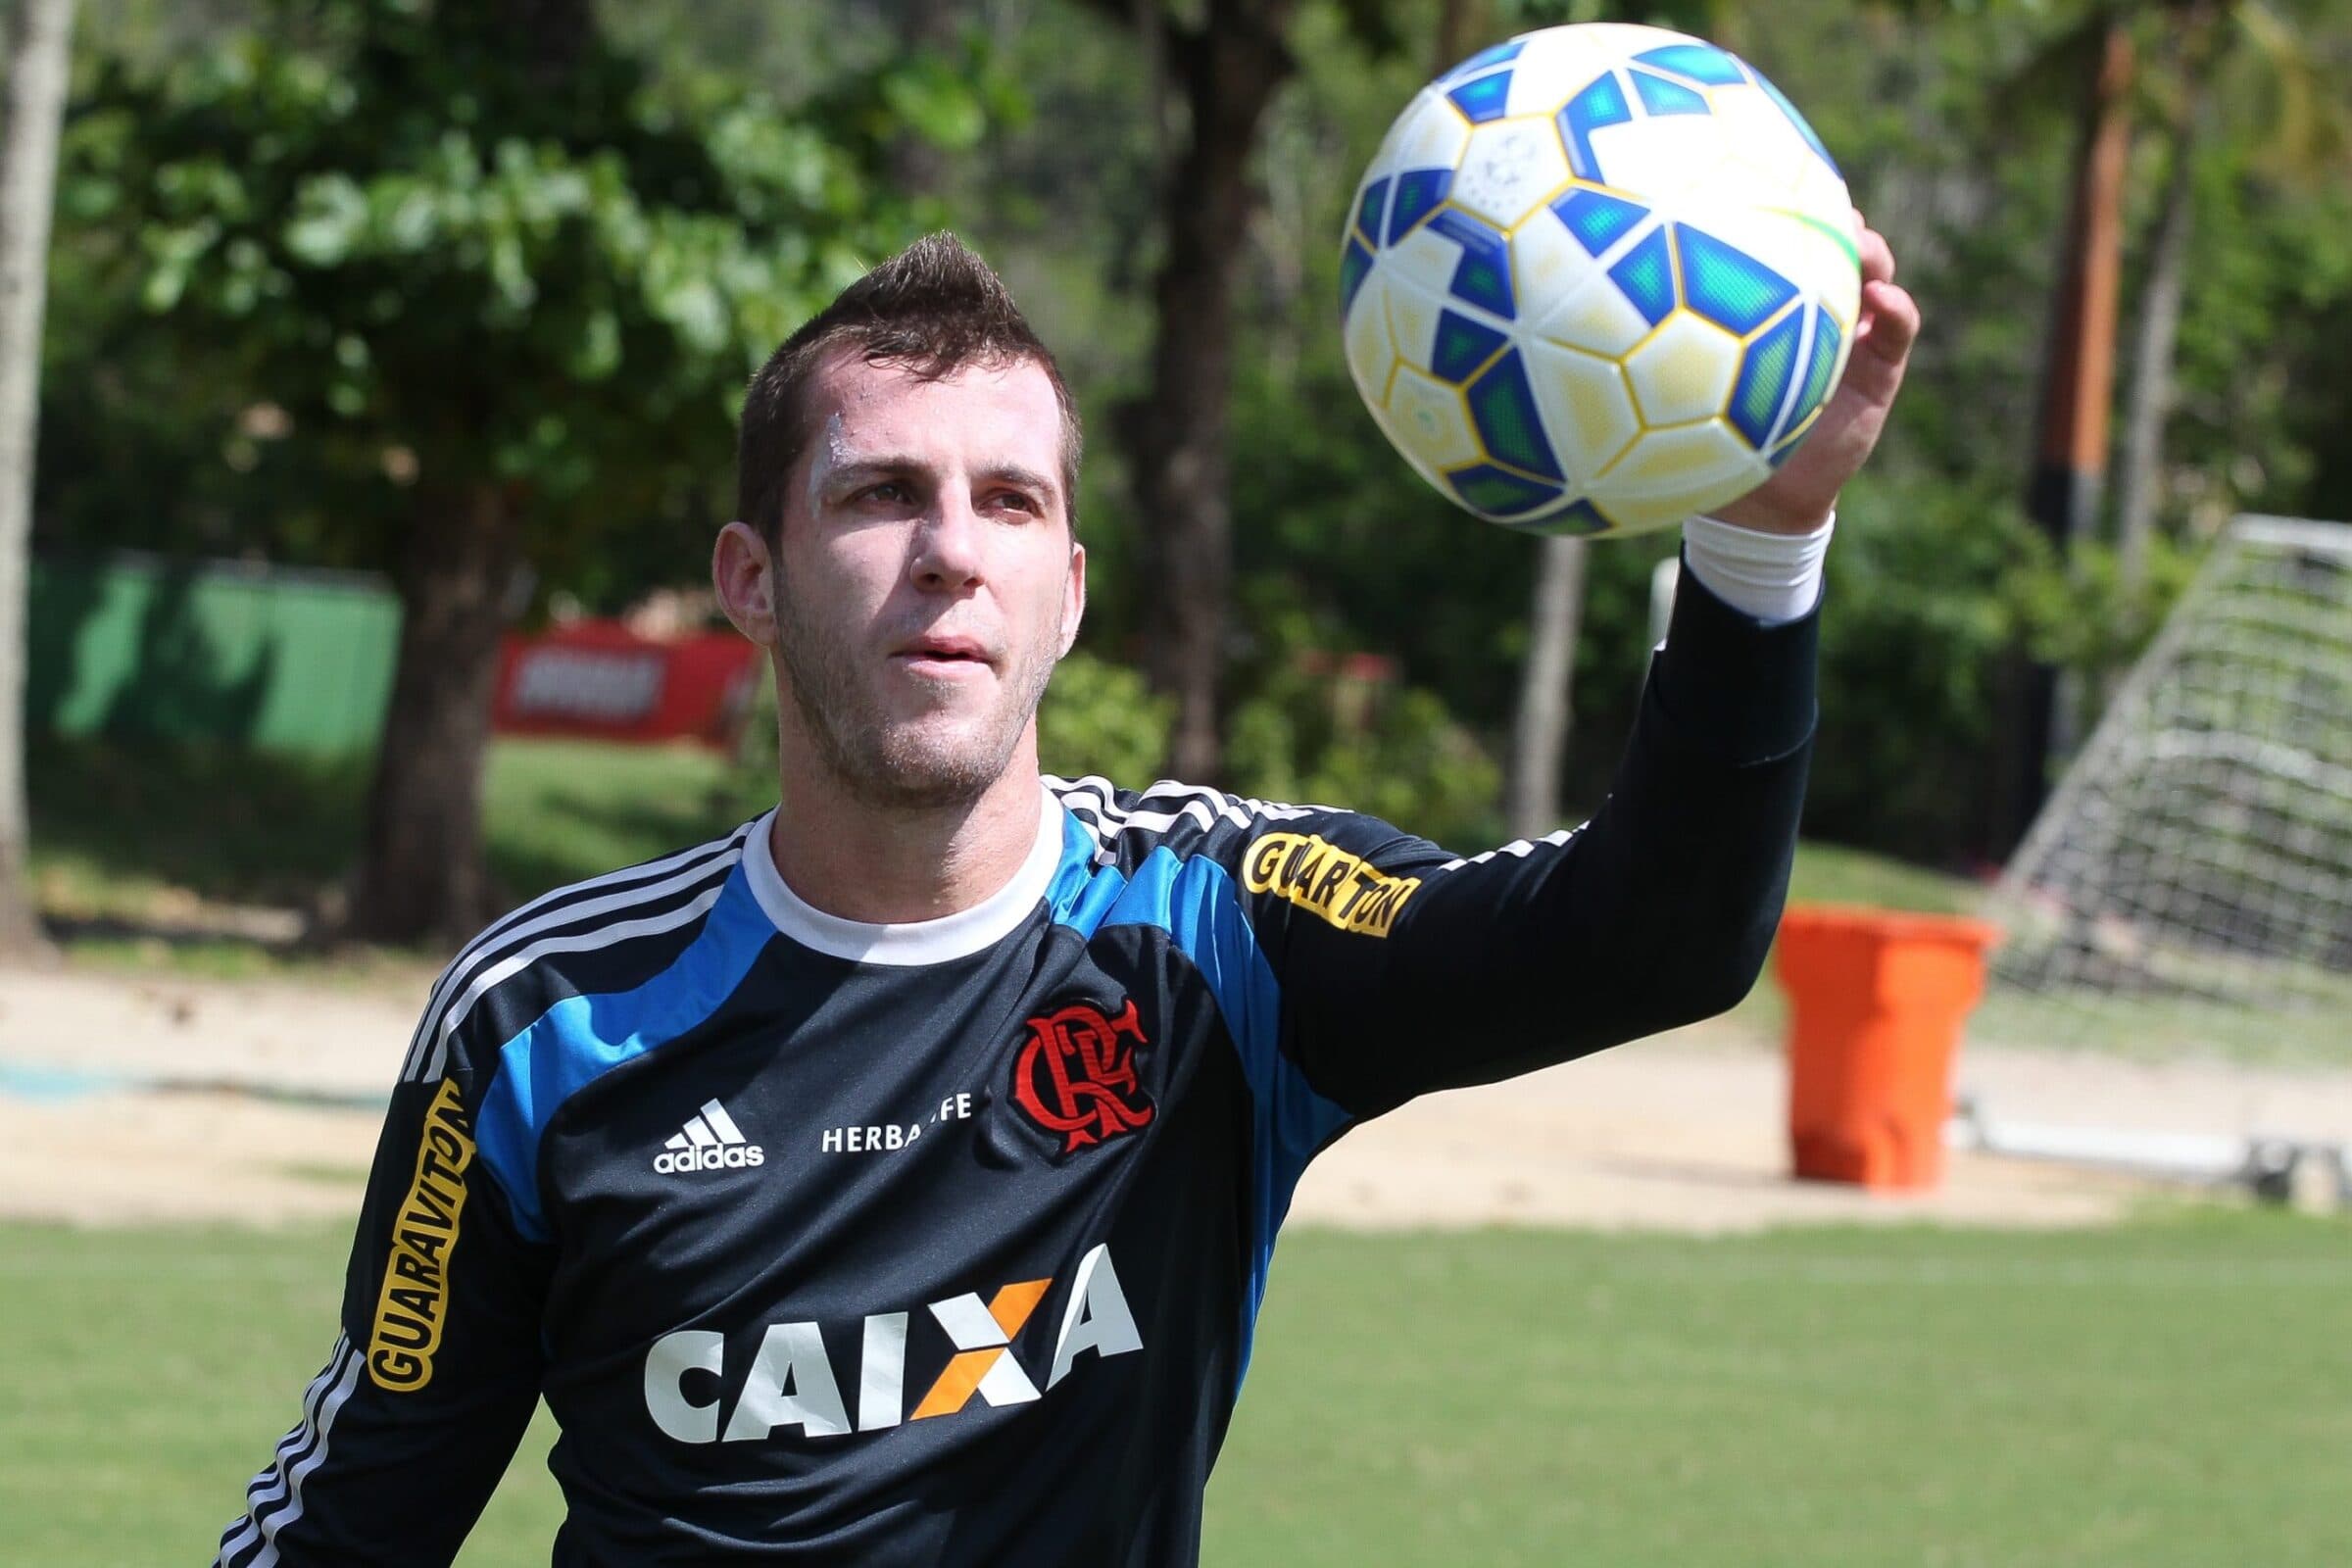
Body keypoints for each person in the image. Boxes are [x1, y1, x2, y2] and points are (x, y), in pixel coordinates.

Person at [215, 225, 1917, 1566]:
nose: (952, 551)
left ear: (1072, 591)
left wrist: (1763, 542)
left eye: (1010, 503)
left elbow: (1650, 937)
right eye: (881, 495)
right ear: (752, 577)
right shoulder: (542, 1021)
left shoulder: (1214, 929)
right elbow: (357, 1514)